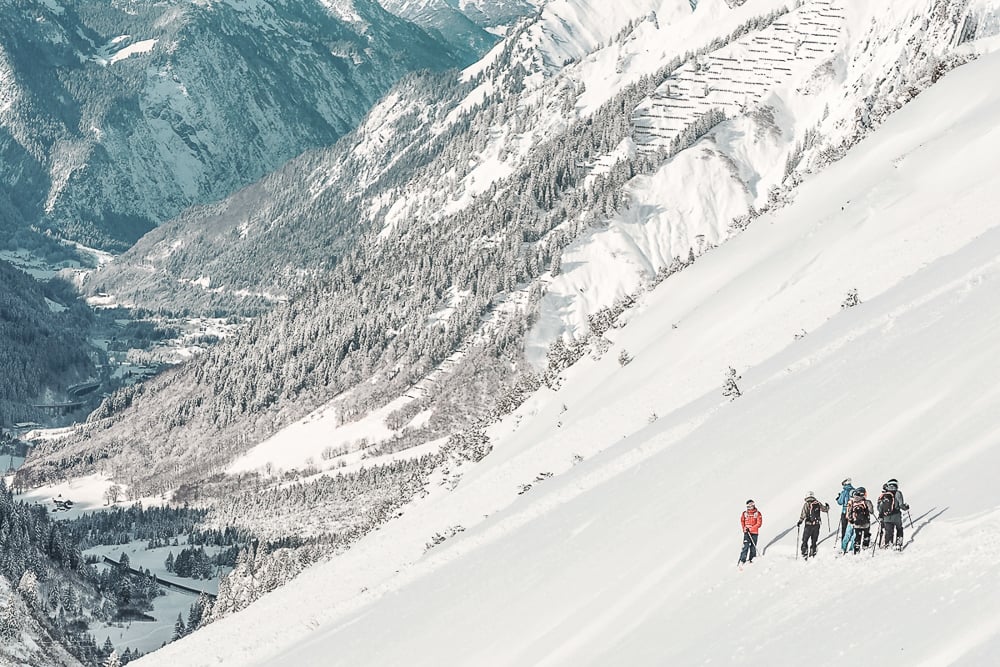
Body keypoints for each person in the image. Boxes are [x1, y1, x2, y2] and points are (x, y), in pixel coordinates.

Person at [877, 479, 909, 549]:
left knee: (889, 531)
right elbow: (901, 505)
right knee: (899, 529)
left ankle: (888, 545)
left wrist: (881, 514)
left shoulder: (883, 494)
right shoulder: (898, 493)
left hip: (886, 517)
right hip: (896, 516)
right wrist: (906, 507)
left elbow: (879, 508)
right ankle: (898, 544)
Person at [797, 492, 829, 558]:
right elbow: (824, 509)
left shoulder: (806, 504)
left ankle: (804, 552)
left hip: (808, 524)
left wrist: (800, 521)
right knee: (814, 539)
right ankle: (813, 551)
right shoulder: (817, 503)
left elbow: (803, 514)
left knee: (805, 539)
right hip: (817, 524)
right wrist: (827, 507)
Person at [843, 487, 874, 554]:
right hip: (866, 524)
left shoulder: (852, 502)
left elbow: (849, 514)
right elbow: (871, 511)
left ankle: (856, 550)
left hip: (856, 524)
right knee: (866, 535)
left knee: (857, 537)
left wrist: (851, 521)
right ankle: (865, 549)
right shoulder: (867, 502)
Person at [739, 499, 763, 566]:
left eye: (752, 504)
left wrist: (751, 528)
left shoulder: (757, 513)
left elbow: (759, 523)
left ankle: (752, 559)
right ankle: (742, 560)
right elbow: (742, 521)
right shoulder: (745, 513)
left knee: (753, 546)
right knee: (745, 546)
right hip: (747, 532)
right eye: (749, 505)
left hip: (754, 532)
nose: (751, 506)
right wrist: (744, 528)